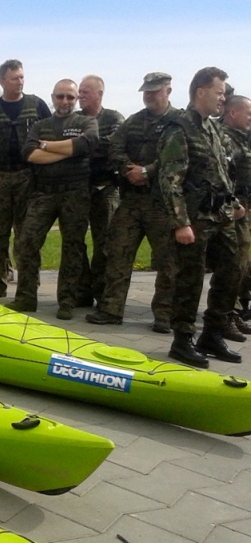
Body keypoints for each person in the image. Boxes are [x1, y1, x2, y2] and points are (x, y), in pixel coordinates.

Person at [157, 67, 245, 368]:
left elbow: (223, 172)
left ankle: (212, 333)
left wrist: (233, 203)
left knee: (233, 270)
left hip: (220, 215)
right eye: (219, 92)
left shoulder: (213, 128)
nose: (223, 98)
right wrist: (181, 222)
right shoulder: (178, 128)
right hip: (194, 218)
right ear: (200, 92)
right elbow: (170, 179)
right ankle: (182, 339)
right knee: (190, 279)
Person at [86, 72, 178, 333]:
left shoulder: (179, 121)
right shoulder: (134, 121)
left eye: (155, 91)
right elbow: (115, 148)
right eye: (146, 91)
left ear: (168, 91)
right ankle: (111, 309)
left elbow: (181, 156)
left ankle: (164, 314)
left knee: (168, 261)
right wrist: (130, 170)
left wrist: (147, 171)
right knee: (117, 253)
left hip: (162, 202)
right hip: (132, 200)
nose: (149, 95)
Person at [6, 79, 98, 320]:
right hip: (44, 192)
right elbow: (29, 154)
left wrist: (47, 147)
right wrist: (67, 151)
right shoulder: (40, 125)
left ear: (76, 98)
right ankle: (25, 297)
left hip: (75, 192)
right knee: (27, 241)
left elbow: (87, 144)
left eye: (70, 97)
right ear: (53, 97)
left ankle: (67, 300)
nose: (65, 101)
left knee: (73, 247)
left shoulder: (86, 122)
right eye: (60, 96)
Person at [0, 60, 52, 299]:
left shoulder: (36, 105)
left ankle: (29, 281)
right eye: (15, 78)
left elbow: (51, 135)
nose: (20, 81)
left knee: (27, 233)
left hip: (28, 176)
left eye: (22, 77)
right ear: (3, 81)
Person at [76, 75, 125, 307]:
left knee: (105, 243)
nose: (80, 96)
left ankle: (103, 292)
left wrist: (80, 146)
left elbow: (112, 145)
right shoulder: (74, 120)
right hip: (78, 187)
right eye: (80, 92)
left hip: (105, 187)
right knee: (75, 241)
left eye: (86, 91)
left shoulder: (114, 118)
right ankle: (82, 290)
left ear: (99, 94)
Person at [219, 95, 251, 338]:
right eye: (248, 114)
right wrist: (234, 203)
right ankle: (223, 316)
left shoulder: (243, 138)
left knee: (240, 262)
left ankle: (233, 312)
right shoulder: (224, 139)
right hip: (232, 208)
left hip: (244, 206)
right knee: (232, 264)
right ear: (233, 113)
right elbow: (222, 175)